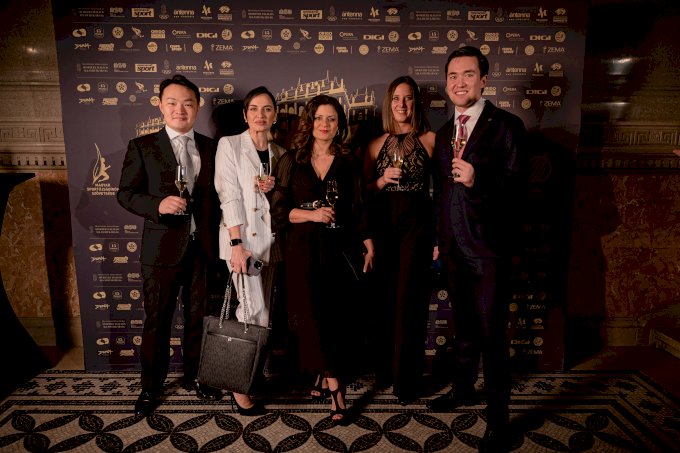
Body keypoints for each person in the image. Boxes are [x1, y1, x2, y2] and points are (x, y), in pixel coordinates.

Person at [426, 46, 527, 452]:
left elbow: (519, 189)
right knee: (464, 328)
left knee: (491, 337)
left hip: (488, 251)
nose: (459, 82)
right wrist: (439, 240)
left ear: (484, 80)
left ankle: (499, 421)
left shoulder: (507, 125)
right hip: (453, 248)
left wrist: (477, 178)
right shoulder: (445, 131)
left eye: (468, 74)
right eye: (453, 76)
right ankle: (464, 388)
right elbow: (441, 194)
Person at [117, 74, 222, 417]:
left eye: (188, 103)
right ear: (160, 106)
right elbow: (125, 194)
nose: (180, 109)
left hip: (203, 249)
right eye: (173, 103)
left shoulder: (212, 147)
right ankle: (151, 387)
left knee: (199, 319)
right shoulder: (142, 146)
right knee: (158, 321)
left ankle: (197, 377)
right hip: (161, 250)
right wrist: (158, 205)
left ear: (197, 107)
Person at [270, 94, 375, 425]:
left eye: (331, 118)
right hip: (301, 251)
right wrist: (311, 215)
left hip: (338, 251)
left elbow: (359, 209)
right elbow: (278, 213)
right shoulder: (291, 160)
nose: (325, 124)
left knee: (334, 319)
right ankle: (331, 383)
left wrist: (369, 243)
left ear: (339, 124)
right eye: (319, 118)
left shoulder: (348, 162)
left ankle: (330, 382)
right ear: (309, 122)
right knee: (310, 317)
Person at [363, 76, 435, 405]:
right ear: (388, 104)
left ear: (415, 103)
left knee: (411, 301)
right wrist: (381, 180)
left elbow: (442, 192)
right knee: (384, 302)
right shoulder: (375, 145)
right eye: (396, 98)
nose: (401, 105)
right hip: (384, 228)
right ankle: (385, 372)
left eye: (407, 98)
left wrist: (438, 238)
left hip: (416, 228)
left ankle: (406, 381)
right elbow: (362, 194)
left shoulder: (431, 140)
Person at [214, 86, 286, 415]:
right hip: (242, 244)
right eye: (254, 109)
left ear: (275, 115)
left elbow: (282, 203)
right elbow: (228, 195)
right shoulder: (229, 145)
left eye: (267, 109)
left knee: (264, 316)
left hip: (271, 244)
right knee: (251, 311)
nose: (260, 114)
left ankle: (249, 377)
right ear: (245, 115)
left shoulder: (281, 152)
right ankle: (237, 386)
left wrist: (274, 190)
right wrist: (236, 245)